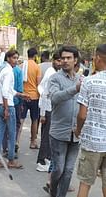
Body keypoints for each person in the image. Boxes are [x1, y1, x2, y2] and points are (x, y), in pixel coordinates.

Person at [48, 45, 81, 197]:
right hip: (58, 133)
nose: (65, 61)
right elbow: (55, 98)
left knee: (68, 171)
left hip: (76, 134)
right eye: (63, 58)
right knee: (59, 169)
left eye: (69, 58)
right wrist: (75, 89)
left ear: (75, 60)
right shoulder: (55, 78)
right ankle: (53, 192)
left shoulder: (82, 79)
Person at [75, 44, 106, 197]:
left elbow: (82, 115)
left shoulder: (89, 81)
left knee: (85, 183)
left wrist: (78, 130)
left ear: (98, 58)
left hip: (92, 141)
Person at [0, 49, 27, 169]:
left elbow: (8, 90)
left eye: (17, 58)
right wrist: (7, 108)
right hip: (7, 106)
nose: (16, 61)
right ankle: (11, 160)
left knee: (0, 133)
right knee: (12, 134)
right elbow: (5, 92)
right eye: (14, 58)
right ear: (8, 58)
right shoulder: (8, 71)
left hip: (1, 105)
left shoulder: (4, 70)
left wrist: (20, 94)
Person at [36, 51, 62, 172]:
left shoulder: (53, 72)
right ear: (53, 61)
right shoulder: (52, 74)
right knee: (46, 137)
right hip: (48, 109)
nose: (60, 63)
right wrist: (42, 113)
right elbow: (45, 93)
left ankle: (46, 158)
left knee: (47, 136)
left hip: (49, 109)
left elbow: (41, 88)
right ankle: (41, 161)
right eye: (58, 61)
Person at [19, 47, 41, 149]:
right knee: (34, 119)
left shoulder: (22, 66)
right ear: (35, 56)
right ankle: (33, 141)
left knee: (21, 119)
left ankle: (16, 141)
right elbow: (38, 83)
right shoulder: (37, 67)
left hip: (23, 96)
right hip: (34, 97)